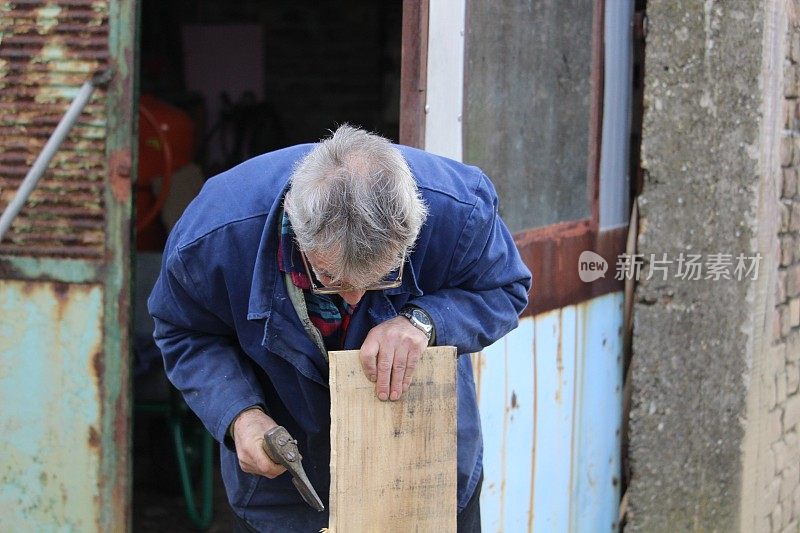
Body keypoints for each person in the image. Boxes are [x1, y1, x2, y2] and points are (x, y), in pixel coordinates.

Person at [148, 125, 531, 532]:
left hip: (423, 471)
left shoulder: (457, 209)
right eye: (330, 278)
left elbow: (505, 288)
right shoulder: (213, 239)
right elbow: (184, 332)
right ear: (295, 228)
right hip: (288, 484)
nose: (352, 299)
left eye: (382, 277)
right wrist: (238, 413)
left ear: (412, 229)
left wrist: (424, 320)